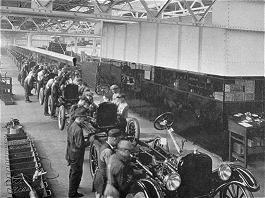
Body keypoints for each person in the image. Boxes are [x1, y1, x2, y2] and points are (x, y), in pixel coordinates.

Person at [66, 108, 90, 198]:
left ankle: (73, 188)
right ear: (79, 117)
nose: (84, 119)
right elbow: (80, 145)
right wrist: (89, 141)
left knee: (73, 172)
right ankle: (72, 194)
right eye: (84, 117)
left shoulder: (72, 125)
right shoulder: (78, 129)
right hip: (77, 154)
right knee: (76, 173)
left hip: (71, 152)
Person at [93, 128, 122, 198]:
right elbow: (111, 168)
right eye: (119, 139)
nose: (119, 142)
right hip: (104, 178)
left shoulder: (105, 145)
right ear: (114, 139)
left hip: (100, 175)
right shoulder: (108, 151)